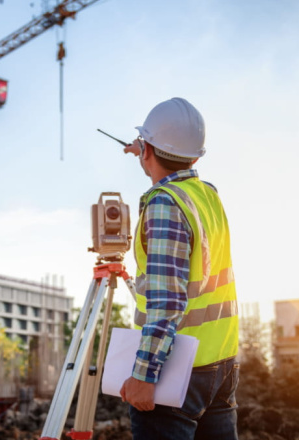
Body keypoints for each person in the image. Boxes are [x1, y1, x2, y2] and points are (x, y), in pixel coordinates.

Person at [119, 97, 239, 440]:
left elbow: (167, 301)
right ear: (197, 155)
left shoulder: (163, 204)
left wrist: (143, 375)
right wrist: (145, 150)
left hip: (176, 371)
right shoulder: (207, 195)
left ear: (147, 150)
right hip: (222, 363)